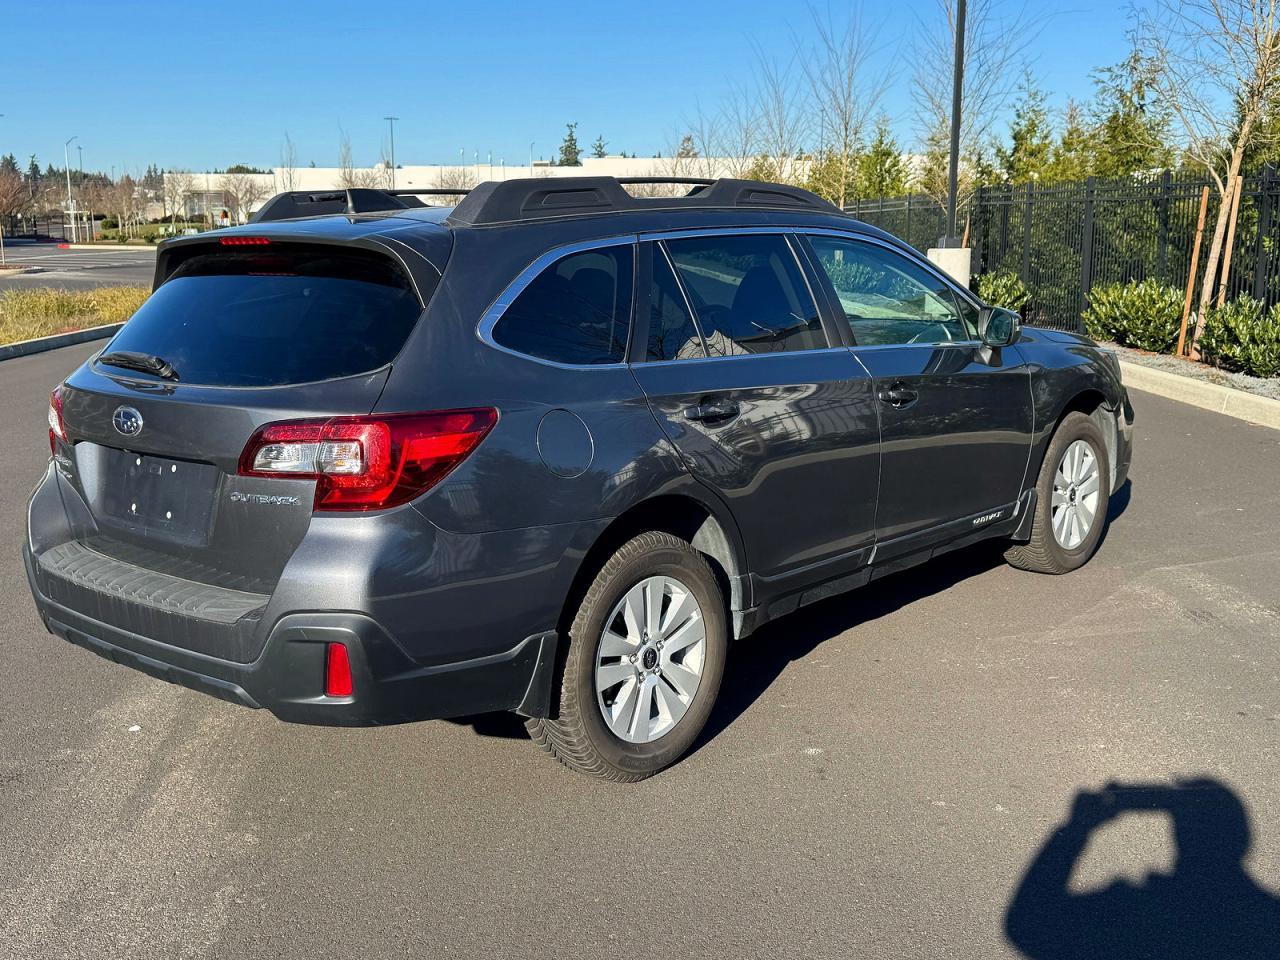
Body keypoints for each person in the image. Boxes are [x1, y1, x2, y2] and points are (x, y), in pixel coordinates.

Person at [1005, 778, 1280, 959]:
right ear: (1240, 840)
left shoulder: (1141, 914)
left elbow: (1028, 924)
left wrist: (1076, 830)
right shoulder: (1268, 921)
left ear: (1180, 837)